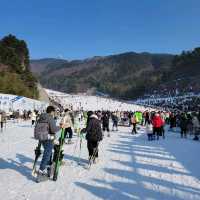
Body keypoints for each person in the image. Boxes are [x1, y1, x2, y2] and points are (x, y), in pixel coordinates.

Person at [36, 106, 61, 182]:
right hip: (48, 137)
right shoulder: (50, 118)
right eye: (54, 112)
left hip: (41, 137)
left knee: (48, 153)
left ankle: (48, 167)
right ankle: (41, 170)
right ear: (52, 112)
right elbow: (53, 129)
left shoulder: (41, 117)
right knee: (47, 153)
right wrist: (60, 127)